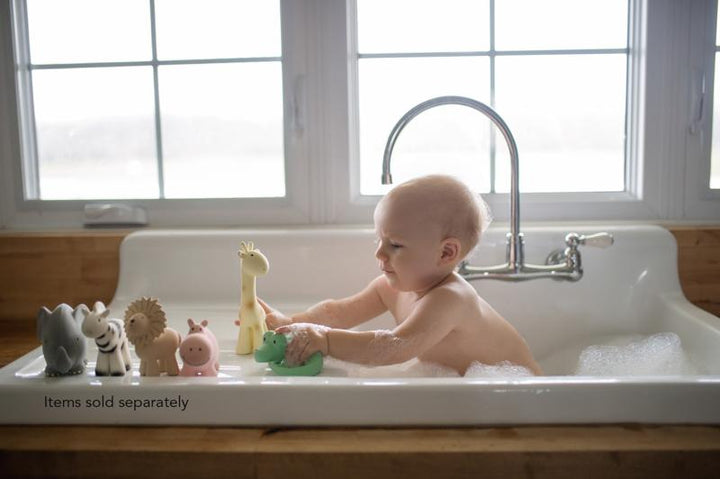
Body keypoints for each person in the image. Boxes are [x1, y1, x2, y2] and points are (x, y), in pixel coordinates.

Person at [260, 174, 542, 376]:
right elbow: (340, 311)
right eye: (379, 240)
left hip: (520, 397)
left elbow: (391, 347)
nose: (380, 254)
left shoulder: (451, 299)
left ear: (446, 254)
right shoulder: (393, 287)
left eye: (395, 245)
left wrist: (327, 341)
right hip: (473, 395)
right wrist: (292, 322)